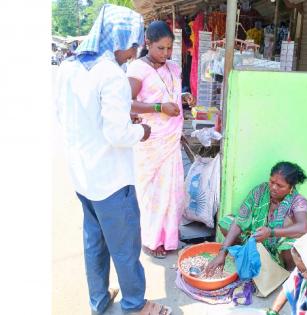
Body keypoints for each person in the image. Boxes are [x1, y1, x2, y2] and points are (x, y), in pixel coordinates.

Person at [55, 5, 171, 315]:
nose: (134, 53)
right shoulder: (112, 75)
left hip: (83, 176)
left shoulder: (69, 67)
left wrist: (116, 120)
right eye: (132, 44)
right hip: (111, 180)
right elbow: (119, 135)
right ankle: (135, 304)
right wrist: (142, 130)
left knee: (95, 243)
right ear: (118, 39)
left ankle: (99, 300)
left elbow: (65, 116)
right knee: (125, 247)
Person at [126, 21, 195, 259]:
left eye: (169, 48)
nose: (166, 54)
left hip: (171, 140)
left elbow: (172, 93)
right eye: (160, 48)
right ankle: (151, 239)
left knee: (173, 192)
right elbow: (128, 102)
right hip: (151, 140)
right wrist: (159, 107)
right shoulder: (137, 68)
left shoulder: (174, 68)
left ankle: (169, 237)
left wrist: (183, 96)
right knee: (153, 193)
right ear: (148, 44)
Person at [206, 161, 307, 275]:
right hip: (255, 238)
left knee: (292, 245)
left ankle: (286, 273)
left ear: (291, 187)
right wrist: (222, 253)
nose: (273, 187)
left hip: (277, 244)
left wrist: (271, 232)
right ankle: (250, 255)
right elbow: (240, 220)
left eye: (280, 185)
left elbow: (304, 227)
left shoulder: (297, 200)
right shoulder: (260, 191)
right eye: (272, 181)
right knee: (227, 222)